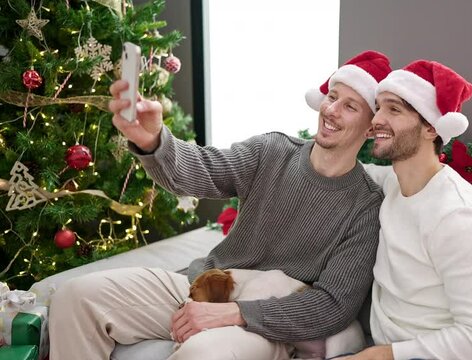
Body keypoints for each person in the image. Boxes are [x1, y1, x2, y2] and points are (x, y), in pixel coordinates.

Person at [48, 50, 392, 360]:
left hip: (265, 323)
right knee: (74, 297)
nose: (331, 110)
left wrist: (235, 313)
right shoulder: (273, 151)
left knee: (202, 354)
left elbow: (333, 306)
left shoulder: (365, 206)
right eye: (332, 96)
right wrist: (153, 140)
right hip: (202, 285)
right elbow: (201, 170)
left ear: (369, 128)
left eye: (350, 106)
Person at [340, 60, 472, 360]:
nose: (377, 120)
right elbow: (341, 170)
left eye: (394, 110)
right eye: (378, 107)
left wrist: (380, 355)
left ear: (431, 127)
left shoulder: (461, 218)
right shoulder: (394, 185)